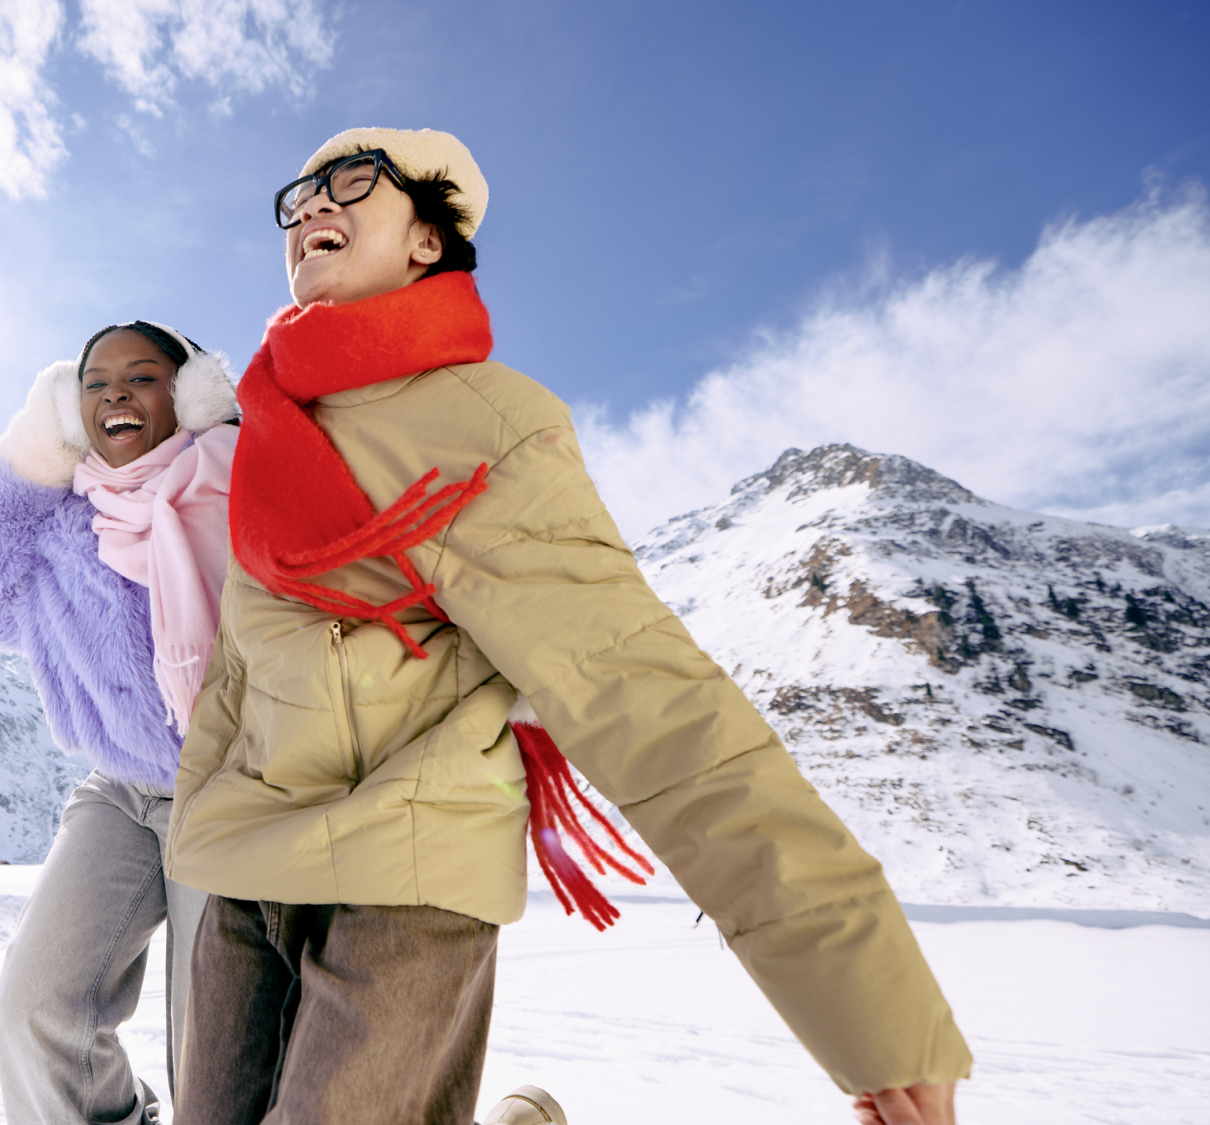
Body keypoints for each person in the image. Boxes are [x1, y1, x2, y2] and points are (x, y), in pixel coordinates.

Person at [164, 127, 972, 1125]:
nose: (315, 204)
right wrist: (203, 824)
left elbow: (647, 701)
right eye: (300, 195)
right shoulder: (269, 428)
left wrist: (872, 1011)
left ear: (427, 239)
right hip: (249, 873)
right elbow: (240, 675)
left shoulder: (485, 424)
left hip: (404, 867)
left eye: (353, 180)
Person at [0, 320, 241, 1124]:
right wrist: (28, 460)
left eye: (141, 375)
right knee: (36, 1005)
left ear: (191, 393)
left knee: (214, 1055)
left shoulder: (246, 485)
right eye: (93, 382)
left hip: (235, 791)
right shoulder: (61, 524)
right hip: (121, 792)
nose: (114, 393)